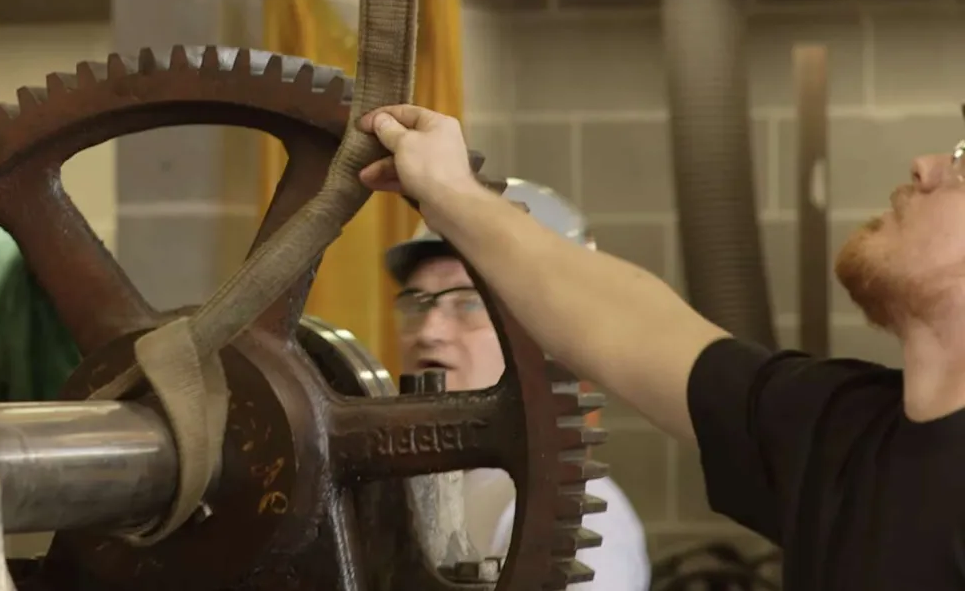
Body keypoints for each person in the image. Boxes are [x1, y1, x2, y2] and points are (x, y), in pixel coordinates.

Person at [358, 105, 965, 590]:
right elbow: (628, 321)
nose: (925, 166)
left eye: (964, 164)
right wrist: (450, 193)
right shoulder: (838, 430)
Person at [386, 178, 650, 589]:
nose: (428, 331)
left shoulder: (577, 518)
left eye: (469, 301)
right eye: (416, 303)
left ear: (548, 330)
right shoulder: (398, 491)